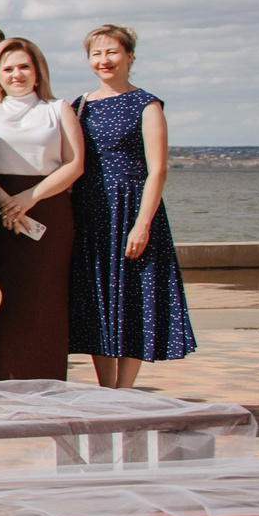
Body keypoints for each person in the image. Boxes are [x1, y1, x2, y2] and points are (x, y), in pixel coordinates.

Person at [69, 25, 195, 387]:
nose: (103, 60)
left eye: (111, 52)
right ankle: (106, 389)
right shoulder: (79, 105)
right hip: (91, 213)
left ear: (129, 57)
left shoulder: (146, 104)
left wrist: (142, 224)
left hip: (131, 211)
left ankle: (125, 390)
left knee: (132, 298)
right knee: (99, 299)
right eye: (96, 53)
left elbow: (158, 170)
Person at [0, 37, 82, 380]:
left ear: (38, 72)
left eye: (24, 66)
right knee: (3, 298)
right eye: (7, 69)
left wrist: (30, 197)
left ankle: (46, 379)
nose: (16, 74)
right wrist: (6, 202)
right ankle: (0, 377)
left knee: (44, 299)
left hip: (47, 210)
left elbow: (74, 164)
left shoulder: (58, 108)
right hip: (0, 216)